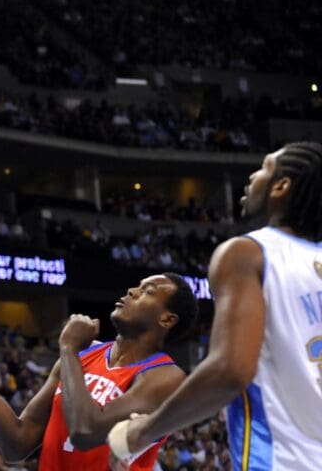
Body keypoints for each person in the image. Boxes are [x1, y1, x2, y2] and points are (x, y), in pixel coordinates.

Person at [109, 142, 322, 470]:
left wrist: (142, 432)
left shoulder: (247, 253)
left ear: (281, 186)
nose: (252, 176)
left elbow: (229, 371)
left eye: (264, 168)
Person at [0, 272, 197, 470]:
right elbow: (16, 444)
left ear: (167, 319)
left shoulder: (166, 377)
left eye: (146, 292)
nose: (131, 291)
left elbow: (86, 432)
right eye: (136, 287)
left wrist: (67, 348)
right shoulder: (83, 355)